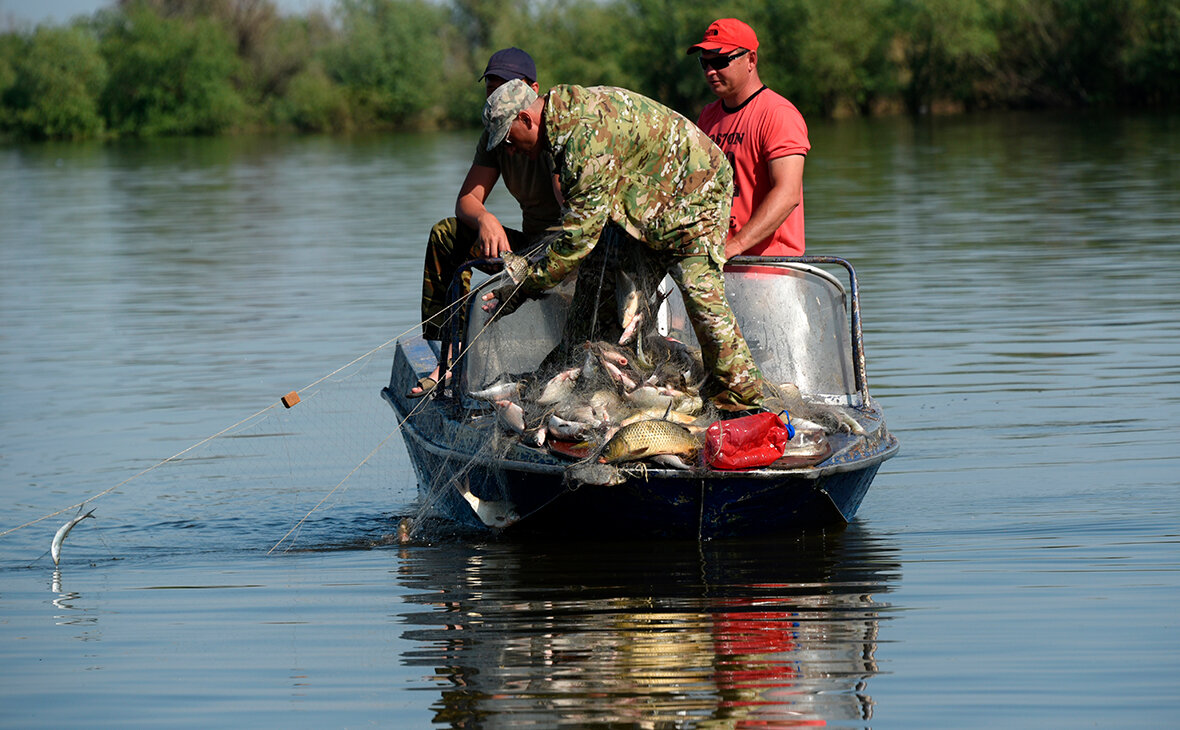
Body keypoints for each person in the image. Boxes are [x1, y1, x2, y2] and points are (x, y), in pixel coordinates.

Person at [478, 80, 770, 412]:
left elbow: (576, 241)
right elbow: (584, 233)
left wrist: (522, 287)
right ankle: (584, 376)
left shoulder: (583, 136)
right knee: (595, 284)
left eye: (509, 140)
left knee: (700, 294)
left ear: (526, 119)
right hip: (645, 199)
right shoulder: (565, 125)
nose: (510, 151)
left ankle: (742, 399)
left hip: (695, 195)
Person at [409, 48, 562, 398]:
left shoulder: (559, 130)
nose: (497, 100)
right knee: (447, 235)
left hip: (570, 248)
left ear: (531, 91)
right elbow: (467, 199)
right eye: (491, 92)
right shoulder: (495, 134)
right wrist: (485, 218)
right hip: (529, 247)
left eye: (504, 90)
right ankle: (450, 353)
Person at [687, 18, 810, 259]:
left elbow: (787, 195)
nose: (711, 71)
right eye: (705, 63)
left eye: (720, 61)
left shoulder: (778, 114)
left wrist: (733, 247)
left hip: (771, 271)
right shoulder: (707, 116)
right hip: (719, 267)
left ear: (751, 60)